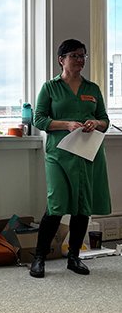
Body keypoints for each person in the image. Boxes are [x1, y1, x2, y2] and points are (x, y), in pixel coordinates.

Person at [30, 38, 111, 278]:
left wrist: (96, 122)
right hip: (59, 153)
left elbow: (105, 121)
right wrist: (66, 124)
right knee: (56, 206)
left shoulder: (92, 89)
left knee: (81, 207)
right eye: (74, 55)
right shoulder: (50, 88)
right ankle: (39, 258)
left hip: (87, 154)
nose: (80, 60)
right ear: (61, 60)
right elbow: (39, 119)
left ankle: (74, 257)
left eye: (83, 55)